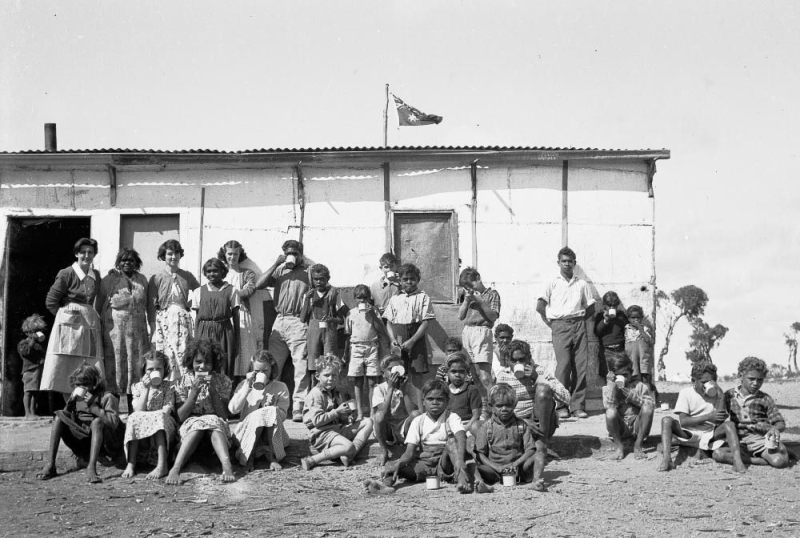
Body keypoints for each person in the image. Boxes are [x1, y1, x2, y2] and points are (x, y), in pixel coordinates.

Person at [495, 339, 570, 491]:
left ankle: (541, 444)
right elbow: (496, 407)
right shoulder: (503, 376)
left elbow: (566, 398)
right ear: (508, 361)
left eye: (521, 359)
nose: (518, 363)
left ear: (528, 358)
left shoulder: (539, 371)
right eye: (513, 360)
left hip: (540, 422)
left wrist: (536, 378)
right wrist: (521, 422)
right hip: (516, 423)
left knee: (543, 391)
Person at [380, 379, 472, 494]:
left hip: (444, 463)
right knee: (393, 465)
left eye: (439, 399)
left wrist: (461, 460)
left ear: (447, 401)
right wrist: (400, 462)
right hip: (424, 463)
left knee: (452, 442)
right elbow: (409, 452)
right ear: (423, 401)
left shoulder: (452, 417)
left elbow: (461, 437)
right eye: (430, 399)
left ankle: (462, 480)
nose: (435, 402)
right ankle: (385, 485)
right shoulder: (418, 421)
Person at [35, 364, 123, 483]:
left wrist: (94, 408)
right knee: (59, 416)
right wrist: (69, 406)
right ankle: (50, 464)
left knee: (97, 422)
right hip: (84, 440)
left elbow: (113, 423)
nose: (81, 387)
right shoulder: (76, 396)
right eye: (78, 385)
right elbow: (68, 418)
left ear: (95, 383)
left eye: (85, 384)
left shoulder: (107, 397)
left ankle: (91, 467)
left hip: (105, 441)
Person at [255, 240, 312, 421]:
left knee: (301, 367)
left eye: (295, 253)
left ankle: (298, 407)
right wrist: (276, 263)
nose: (292, 256)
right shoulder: (279, 270)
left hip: (298, 320)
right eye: (289, 253)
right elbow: (259, 284)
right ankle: (269, 403)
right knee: (272, 365)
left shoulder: (309, 272)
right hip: (279, 320)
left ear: (301, 254)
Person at [536, 246, 595, 419]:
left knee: (580, 366)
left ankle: (577, 406)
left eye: (570, 261)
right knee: (563, 366)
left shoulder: (582, 283)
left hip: (578, 325)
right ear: (558, 263)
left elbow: (591, 306)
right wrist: (552, 324)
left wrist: (581, 320)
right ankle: (561, 405)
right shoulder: (552, 282)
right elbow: (540, 306)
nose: (567, 264)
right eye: (564, 261)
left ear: (575, 263)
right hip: (559, 326)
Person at [42, 237, 105, 398]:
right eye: (82, 252)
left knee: (88, 364)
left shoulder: (95, 275)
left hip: (89, 324)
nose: (86, 255)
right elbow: (51, 301)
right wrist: (64, 317)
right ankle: (70, 408)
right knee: (67, 367)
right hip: (68, 326)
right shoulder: (66, 273)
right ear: (76, 254)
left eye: (90, 252)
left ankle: (83, 405)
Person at [166, 338, 234, 485]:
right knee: (198, 424)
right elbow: (181, 417)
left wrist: (214, 392)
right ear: (191, 362)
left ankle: (227, 465)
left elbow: (223, 415)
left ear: (214, 363)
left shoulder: (223, 381)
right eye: (198, 362)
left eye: (207, 362)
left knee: (212, 421)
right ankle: (176, 468)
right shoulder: (181, 382)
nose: (202, 366)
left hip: (216, 426)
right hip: (191, 425)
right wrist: (193, 394)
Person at [657, 361, 745, 473]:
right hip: (689, 433)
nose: (707, 385)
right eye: (704, 382)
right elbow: (683, 421)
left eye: (711, 381)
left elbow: (720, 420)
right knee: (666, 420)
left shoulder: (717, 395)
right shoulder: (686, 393)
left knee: (729, 425)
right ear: (693, 381)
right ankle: (667, 459)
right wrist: (708, 417)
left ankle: (737, 461)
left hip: (710, 434)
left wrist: (721, 396)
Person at [715, 356, 790, 468]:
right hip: (738, 441)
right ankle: (756, 460)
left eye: (760, 380)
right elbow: (719, 417)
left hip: (760, 440)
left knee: (780, 461)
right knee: (718, 454)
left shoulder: (765, 398)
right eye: (751, 379)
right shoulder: (729, 395)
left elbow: (780, 423)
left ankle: (755, 458)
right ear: (740, 376)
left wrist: (775, 429)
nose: (756, 383)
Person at [98, 247, 151, 406]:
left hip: (138, 332)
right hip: (115, 333)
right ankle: (112, 408)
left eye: (131, 260)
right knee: (115, 366)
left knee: (137, 366)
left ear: (136, 263)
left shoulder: (142, 280)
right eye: (123, 260)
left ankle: (134, 407)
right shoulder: (109, 280)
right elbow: (99, 304)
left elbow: (148, 305)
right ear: (118, 262)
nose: (127, 263)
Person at [301, 356, 373, 470]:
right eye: (326, 375)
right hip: (322, 434)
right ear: (317, 376)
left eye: (334, 375)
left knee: (368, 422)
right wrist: (337, 411)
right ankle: (313, 460)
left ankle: (348, 455)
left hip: (336, 430)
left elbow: (340, 418)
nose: (331, 379)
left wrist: (348, 417)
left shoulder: (335, 392)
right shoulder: (316, 394)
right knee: (349, 446)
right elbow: (318, 421)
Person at [228, 350, 290, 473]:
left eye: (265, 371)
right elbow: (233, 409)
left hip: (270, 435)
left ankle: (273, 457)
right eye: (257, 371)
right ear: (252, 370)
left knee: (269, 411)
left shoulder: (281, 387)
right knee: (262, 413)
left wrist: (273, 408)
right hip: (247, 433)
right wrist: (247, 387)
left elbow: (282, 417)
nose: (260, 374)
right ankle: (249, 456)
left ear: (272, 369)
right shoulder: (244, 385)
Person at [148, 239, 200, 381]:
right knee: (167, 353)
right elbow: (151, 304)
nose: (173, 257)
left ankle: (184, 384)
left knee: (182, 351)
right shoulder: (156, 278)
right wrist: (152, 326)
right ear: (164, 256)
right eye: (170, 254)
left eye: (176, 253)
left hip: (182, 318)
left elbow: (200, 293)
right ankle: (167, 384)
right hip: (164, 319)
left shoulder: (187, 276)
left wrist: (191, 304)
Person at [122, 351, 178, 480]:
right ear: (144, 371)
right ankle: (131, 463)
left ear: (165, 370)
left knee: (158, 417)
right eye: (150, 369)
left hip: (163, 425)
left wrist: (152, 417)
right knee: (134, 418)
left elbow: (166, 411)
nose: (155, 371)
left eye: (159, 368)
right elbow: (139, 410)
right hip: (144, 427)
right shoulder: (137, 387)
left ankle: (162, 465)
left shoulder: (168, 387)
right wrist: (146, 389)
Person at [474, 383, 537, 493]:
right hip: (493, 470)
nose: (504, 409)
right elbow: (480, 454)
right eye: (499, 406)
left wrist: (515, 464)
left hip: (519, 469)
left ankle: (536, 482)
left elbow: (530, 449)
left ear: (514, 405)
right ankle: (481, 484)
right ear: (491, 406)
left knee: (539, 454)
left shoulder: (521, 425)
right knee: (471, 464)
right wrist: (496, 467)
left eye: (508, 405)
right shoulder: (486, 427)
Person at [384, 263, 435, 388]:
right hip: (398, 336)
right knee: (398, 371)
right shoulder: (395, 298)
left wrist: (412, 341)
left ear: (418, 280)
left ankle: (417, 405)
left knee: (417, 372)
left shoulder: (423, 297)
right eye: (405, 279)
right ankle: (399, 403)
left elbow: (425, 322)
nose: (409, 282)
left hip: (416, 337)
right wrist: (392, 340)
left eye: (412, 279)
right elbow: (389, 322)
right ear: (400, 281)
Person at [458, 267, 500, 417]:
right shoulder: (467, 296)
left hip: (482, 331)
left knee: (484, 376)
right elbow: (461, 316)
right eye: (466, 287)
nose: (469, 290)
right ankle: (485, 409)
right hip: (468, 332)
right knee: (474, 375)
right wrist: (467, 301)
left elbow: (493, 317)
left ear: (478, 279)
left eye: (471, 285)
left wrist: (481, 301)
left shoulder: (492, 294)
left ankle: (498, 407)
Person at [345, 285, 390, 420]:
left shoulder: (374, 312)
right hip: (356, 347)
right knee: (358, 381)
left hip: (371, 347)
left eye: (365, 298)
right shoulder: (351, 313)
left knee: (372, 382)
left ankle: (371, 412)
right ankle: (359, 412)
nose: (362, 301)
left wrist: (372, 315)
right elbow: (348, 334)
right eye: (359, 298)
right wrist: (346, 354)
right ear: (354, 299)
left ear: (369, 298)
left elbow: (381, 331)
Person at [218, 240, 260, 381]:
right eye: (229, 254)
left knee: (243, 351)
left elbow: (250, 289)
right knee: (226, 348)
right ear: (224, 254)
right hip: (224, 314)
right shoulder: (219, 273)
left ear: (240, 254)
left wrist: (229, 296)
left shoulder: (247, 273)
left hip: (242, 314)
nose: (232, 257)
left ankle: (243, 382)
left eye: (235, 254)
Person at [190, 258, 239, 376]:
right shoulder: (198, 291)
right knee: (204, 360)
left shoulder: (232, 290)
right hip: (203, 331)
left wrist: (236, 338)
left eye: (215, 271)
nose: (212, 274)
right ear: (205, 273)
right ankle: (203, 391)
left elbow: (236, 315)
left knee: (222, 362)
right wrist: (196, 338)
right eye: (209, 271)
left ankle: (222, 391)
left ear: (223, 271)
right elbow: (197, 318)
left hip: (224, 331)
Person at [372, 354, 423, 467]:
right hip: (387, 428)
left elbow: (412, 413)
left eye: (398, 369)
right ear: (383, 373)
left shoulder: (408, 387)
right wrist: (391, 388)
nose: (395, 373)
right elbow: (383, 413)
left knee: (417, 414)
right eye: (391, 370)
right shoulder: (379, 389)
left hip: (403, 427)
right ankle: (384, 450)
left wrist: (404, 390)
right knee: (378, 416)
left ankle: (410, 448)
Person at [603, 353, 655, 461]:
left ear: (631, 373)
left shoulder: (639, 386)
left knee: (647, 408)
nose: (624, 379)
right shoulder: (609, 387)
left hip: (637, 425)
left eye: (626, 375)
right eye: (619, 376)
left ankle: (638, 445)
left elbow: (649, 405)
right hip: (621, 427)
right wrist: (611, 386)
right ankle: (619, 446)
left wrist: (632, 396)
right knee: (610, 412)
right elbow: (608, 405)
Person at [302, 263, 349, 376]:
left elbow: (342, 319)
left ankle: (330, 389)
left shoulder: (333, 295)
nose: (318, 282)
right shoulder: (309, 295)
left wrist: (331, 319)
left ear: (327, 279)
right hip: (313, 331)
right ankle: (314, 388)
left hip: (329, 332)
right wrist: (307, 301)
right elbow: (302, 318)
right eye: (316, 279)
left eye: (322, 279)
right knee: (313, 363)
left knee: (330, 361)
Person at [443, 351, 482, 436]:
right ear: (447, 373)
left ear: (466, 373)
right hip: (449, 425)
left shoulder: (471, 390)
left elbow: (476, 415)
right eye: (453, 372)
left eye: (461, 372)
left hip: (467, 425)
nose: (457, 375)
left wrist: (464, 429)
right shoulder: (444, 391)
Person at [18, 314, 47, 418]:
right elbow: (25, 353)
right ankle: (27, 413)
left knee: (36, 392)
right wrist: (33, 341)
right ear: (27, 332)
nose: (36, 334)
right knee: (28, 391)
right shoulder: (23, 343)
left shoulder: (39, 344)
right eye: (33, 331)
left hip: (38, 369)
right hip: (30, 370)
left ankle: (33, 412)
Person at [594, 291, 627, 380]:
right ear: (604, 305)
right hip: (606, 352)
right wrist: (605, 321)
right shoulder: (600, 316)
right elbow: (597, 332)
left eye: (614, 306)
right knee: (608, 377)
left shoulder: (621, 316)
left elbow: (626, 330)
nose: (612, 308)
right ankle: (610, 392)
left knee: (621, 376)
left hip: (620, 351)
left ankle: (620, 393)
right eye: (609, 306)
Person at [625, 305, 655, 387]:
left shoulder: (645, 329)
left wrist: (640, 328)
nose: (636, 320)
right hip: (632, 359)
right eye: (633, 318)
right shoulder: (626, 329)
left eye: (638, 317)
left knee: (645, 377)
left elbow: (648, 340)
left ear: (641, 318)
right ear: (628, 319)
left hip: (643, 359)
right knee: (634, 377)